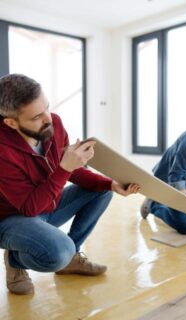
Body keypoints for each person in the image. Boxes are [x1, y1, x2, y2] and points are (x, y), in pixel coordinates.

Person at [0, 73, 140, 295]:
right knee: (57, 252)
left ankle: (71, 259)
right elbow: (30, 208)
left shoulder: (53, 123)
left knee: (101, 191)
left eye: (46, 107)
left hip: (45, 206)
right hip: (12, 220)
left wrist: (111, 184)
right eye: (37, 116)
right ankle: (16, 260)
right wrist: (65, 168)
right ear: (10, 122)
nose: (48, 118)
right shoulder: (2, 151)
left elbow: (73, 173)